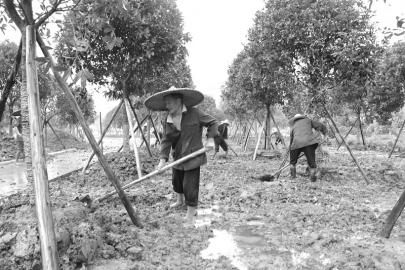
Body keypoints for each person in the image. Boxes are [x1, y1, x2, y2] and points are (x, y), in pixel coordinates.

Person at [144, 87, 218, 222]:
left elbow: (213, 122)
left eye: (169, 103)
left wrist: (210, 139)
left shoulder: (195, 113)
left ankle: (191, 213)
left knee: (190, 185)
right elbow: (166, 140)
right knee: (177, 182)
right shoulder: (168, 119)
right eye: (166, 103)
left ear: (178, 101)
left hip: (193, 156)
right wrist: (162, 160)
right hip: (177, 156)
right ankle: (179, 201)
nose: (167, 106)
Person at [288, 114, 327, 182]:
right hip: (309, 143)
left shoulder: (293, 125)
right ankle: (312, 179)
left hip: (296, 143)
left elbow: (291, 138)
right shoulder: (308, 120)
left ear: (295, 119)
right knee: (312, 163)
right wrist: (324, 134)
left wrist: (291, 148)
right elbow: (320, 125)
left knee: (292, 163)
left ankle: (293, 178)